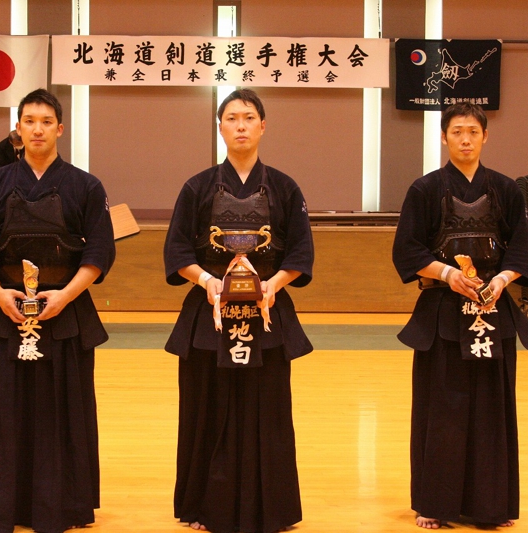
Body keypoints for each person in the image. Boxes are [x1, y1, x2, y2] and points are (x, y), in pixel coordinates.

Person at [163, 89, 314, 533]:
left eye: (249, 117)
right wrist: (208, 281)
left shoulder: (285, 188)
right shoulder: (197, 187)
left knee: (267, 410)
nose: (241, 125)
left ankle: (271, 509)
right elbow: (176, 251)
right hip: (209, 314)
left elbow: (300, 253)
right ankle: (203, 506)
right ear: (221, 127)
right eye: (232, 118)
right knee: (206, 407)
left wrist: (273, 284)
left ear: (263, 126)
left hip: (266, 312)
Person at [0, 88, 116, 533]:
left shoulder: (86, 186)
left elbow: (100, 252)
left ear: (60, 129)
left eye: (46, 121)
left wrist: (65, 295)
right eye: (29, 121)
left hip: (65, 313)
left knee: (63, 411)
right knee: (6, 413)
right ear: (18, 128)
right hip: (8, 313)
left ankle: (62, 505)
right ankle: (3, 507)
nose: (37, 129)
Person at [392, 103, 528, 530]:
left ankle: (490, 506)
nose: (465, 139)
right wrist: (447, 274)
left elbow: (523, 247)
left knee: (491, 409)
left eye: (473, 131)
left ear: (485, 137)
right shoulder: (424, 189)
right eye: (457, 131)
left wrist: (502, 280)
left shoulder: (506, 190)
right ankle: (434, 504)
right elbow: (407, 249)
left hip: (492, 311)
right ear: (444, 137)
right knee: (441, 409)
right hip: (443, 311)